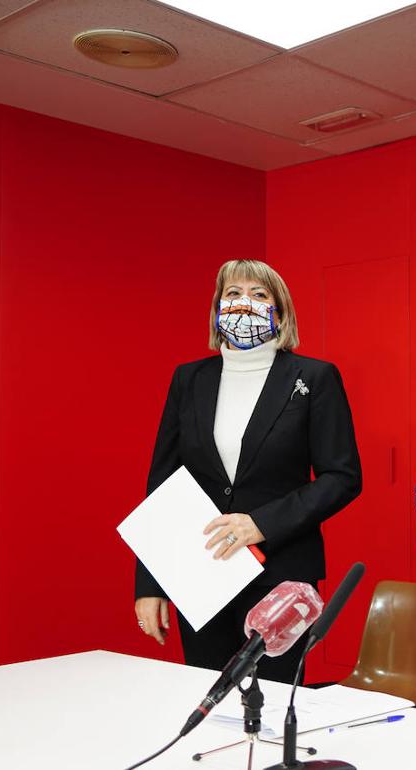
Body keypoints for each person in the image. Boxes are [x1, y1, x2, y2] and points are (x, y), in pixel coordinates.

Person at [133, 259, 362, 682]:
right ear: (217, 307)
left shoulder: (314, 377)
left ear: (281, 312)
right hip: (200, 570)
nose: (243, 304)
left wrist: (262, 524)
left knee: (270, 707)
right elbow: (162, 484)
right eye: (233, 294)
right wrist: (150, 584)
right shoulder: (189, 379)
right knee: (206, 697)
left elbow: (342, 476)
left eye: (259, 296)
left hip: (281, 573)